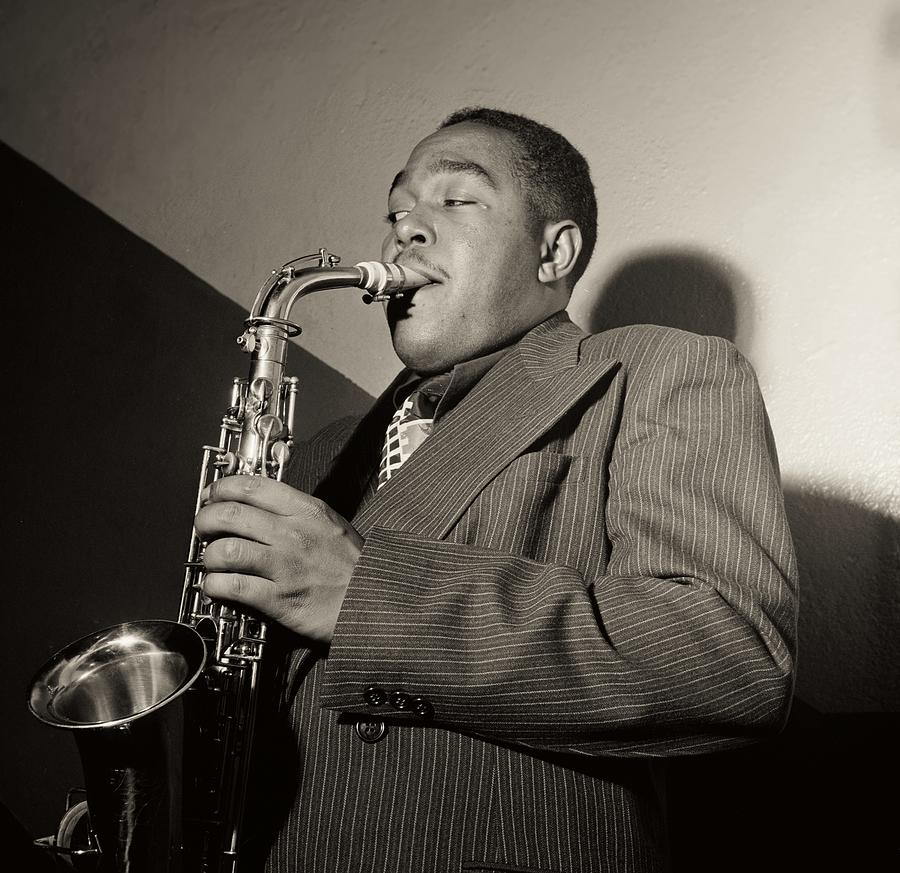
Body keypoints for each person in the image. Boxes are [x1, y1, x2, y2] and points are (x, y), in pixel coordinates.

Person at [194, 107, 798, 872]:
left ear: (554, 251)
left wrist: (369, 598)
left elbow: (729, 658)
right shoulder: (319, 452)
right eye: (396, 211)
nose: (404, 231)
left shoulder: (659, 369)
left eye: (455, 200)